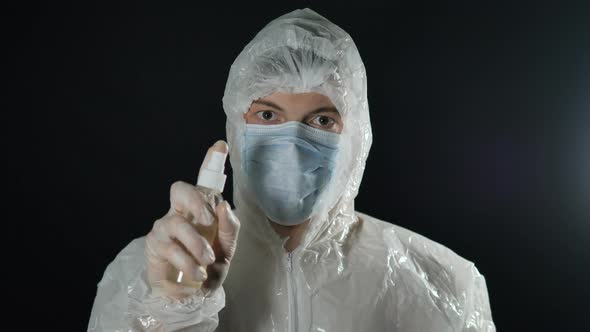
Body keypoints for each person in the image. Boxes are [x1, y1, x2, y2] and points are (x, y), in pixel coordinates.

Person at [88, 8, 496, 332]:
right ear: (236, 125)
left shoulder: (440, 282)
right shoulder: (147, 272)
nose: (293, 142)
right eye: (267, 114)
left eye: (321, 121)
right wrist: (171, 311)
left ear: (356, 135)